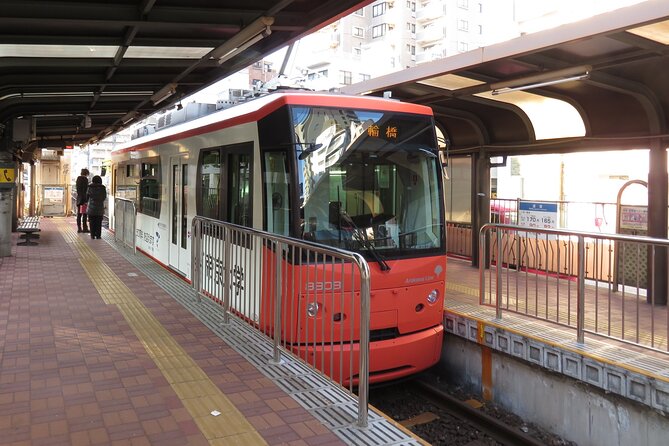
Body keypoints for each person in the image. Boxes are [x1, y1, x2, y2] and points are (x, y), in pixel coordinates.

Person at [86, 175, 107, 240]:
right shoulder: (103, 187)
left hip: (91, 208)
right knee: (98, 222)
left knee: (92, 222)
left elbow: (87, 197)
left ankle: (92, 235)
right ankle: (98, 235)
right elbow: (104, 197)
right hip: (100, 208)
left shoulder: (90, 187)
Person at [75, 168, 89, 233]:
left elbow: (78, 190)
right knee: (84, 214)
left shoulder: (78, 179)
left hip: (79, 199)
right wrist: (86, 200)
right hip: (83, 200)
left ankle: (79, 228)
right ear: (86, 173)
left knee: (79, 214)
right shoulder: (85, 179)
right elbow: (85, 190)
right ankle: (84, 228)